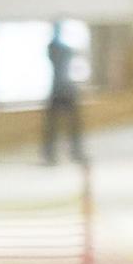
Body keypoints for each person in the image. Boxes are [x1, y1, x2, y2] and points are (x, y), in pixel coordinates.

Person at [38, 29, 84, 167]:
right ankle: (51, 154)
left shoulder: (62, 50)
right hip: (59, 91)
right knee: (53, 126)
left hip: (65, 90)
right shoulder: (57, 49)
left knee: (71, 125)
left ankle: (73, 151)